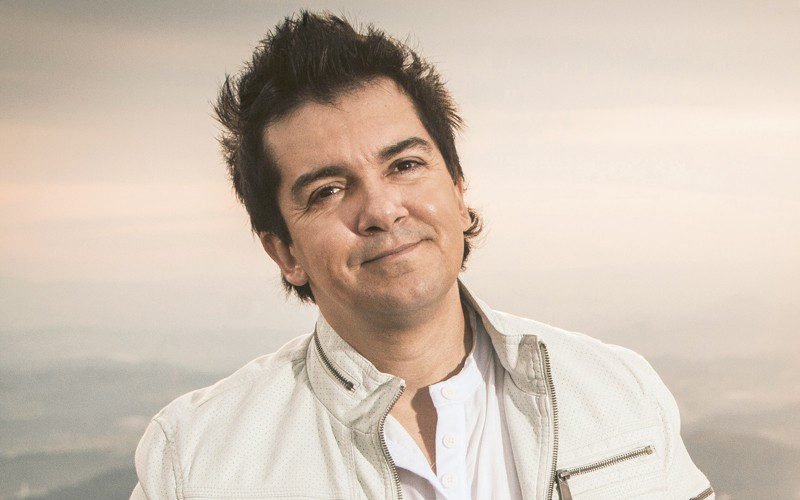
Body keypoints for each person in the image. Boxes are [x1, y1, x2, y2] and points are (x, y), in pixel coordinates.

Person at [131, 11, 713, 500]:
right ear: (284, 251)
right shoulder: (196, 461)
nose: (382, 210)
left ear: (458, 191)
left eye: (405, 165)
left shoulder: (617, 392)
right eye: (328, 191)